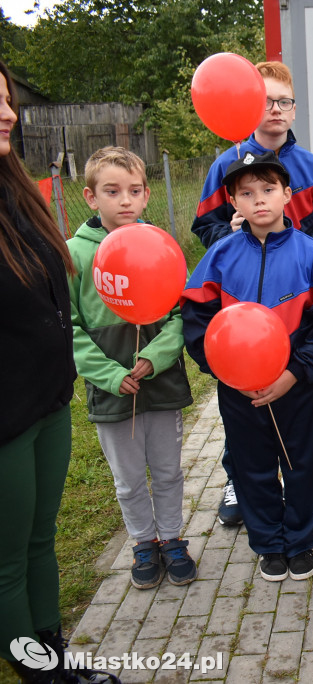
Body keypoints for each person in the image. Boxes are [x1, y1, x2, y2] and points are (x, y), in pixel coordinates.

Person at [0, 59, 119, 684]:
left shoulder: (13, 186)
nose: (9, 113)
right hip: (5, 418)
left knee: (41, 537)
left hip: (47, 403)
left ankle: (53, 647)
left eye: (8, 99)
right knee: (7, 561)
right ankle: (37, 669)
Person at [190, 60, 313, 529]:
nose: (274, 109)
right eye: (265, 101)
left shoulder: (312, 167)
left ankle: (300, 527)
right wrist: (228, 235)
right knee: (248, 441)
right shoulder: (225, 164)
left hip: (296, 321)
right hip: (239, 348)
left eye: (283, 101)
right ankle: (245, 490)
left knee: (300, 446)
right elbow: (204, 227)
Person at [181, 151, 313, 582]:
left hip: (297, 386)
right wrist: (223, 371)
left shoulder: (311, 255)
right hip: (237, 391)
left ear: (287, 194)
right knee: (252, 466)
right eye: (246, 193)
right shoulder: (219, 256)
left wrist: (294, 373)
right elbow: (196, 315)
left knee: (302, 463)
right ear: (233, 201)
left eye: (269, 190)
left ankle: (301, 539)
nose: (259, 201)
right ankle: (269, 543)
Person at [68, 147, 196, 591]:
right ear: (90, 196)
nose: (125, 200)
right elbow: (69, 327)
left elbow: (183, 314)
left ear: (146, 196)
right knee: (127, 480)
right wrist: (107, 374)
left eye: (134, 191)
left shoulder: (161, 244)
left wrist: (154, 358)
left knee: (167, 471)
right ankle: (143, 543)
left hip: (160, 382)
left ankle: (173, 540)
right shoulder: (73, 255)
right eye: (112, 191)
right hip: (112, 390)